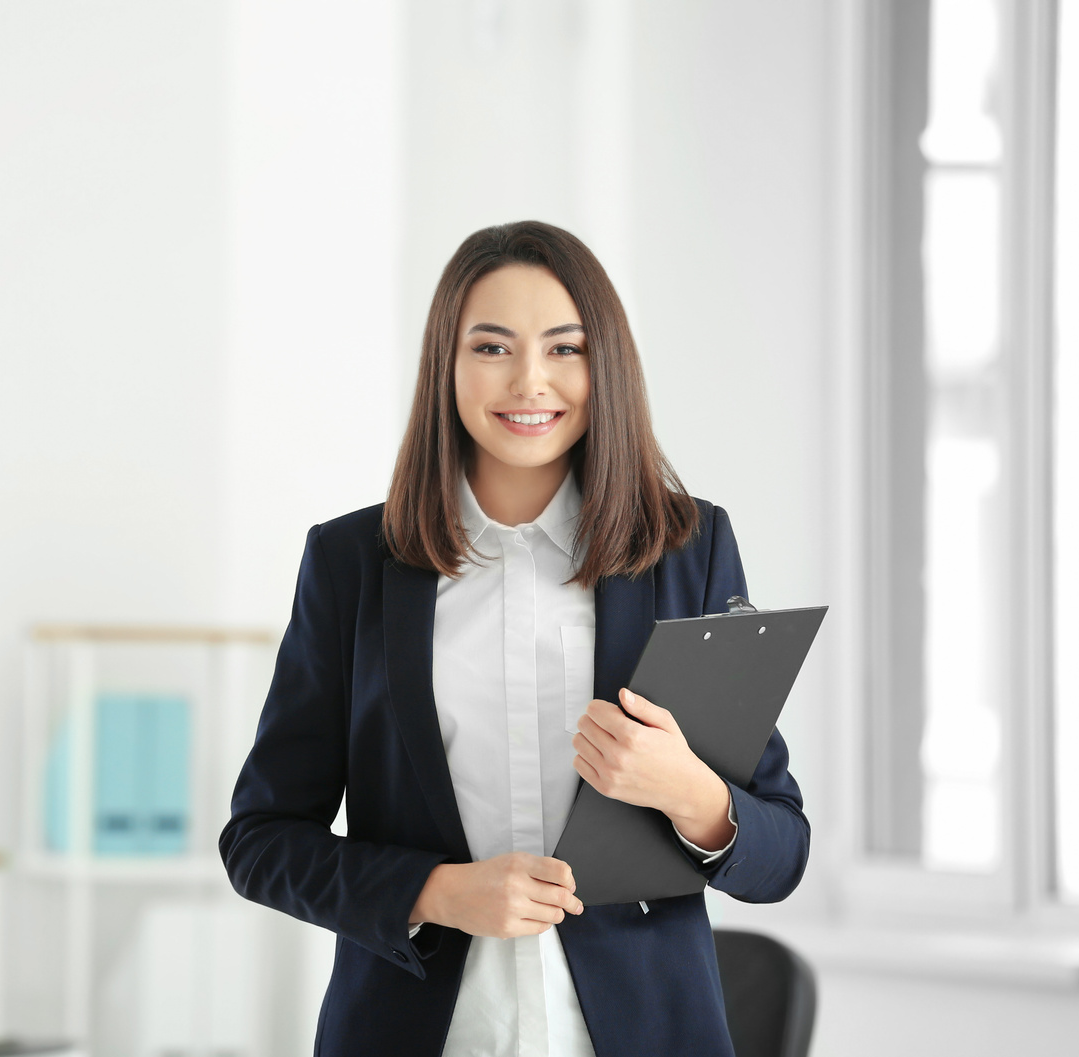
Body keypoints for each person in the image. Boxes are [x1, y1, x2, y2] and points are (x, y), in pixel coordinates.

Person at [218, 220, 809, 1057]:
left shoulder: (689, 548)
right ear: (446, 365)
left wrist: (691, 794)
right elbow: (260, 840)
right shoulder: (352, 563)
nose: (530, 380)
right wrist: (433, 890)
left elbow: (781, 852)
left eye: (564, 348)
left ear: (604, 365)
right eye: (492, 347)